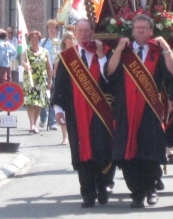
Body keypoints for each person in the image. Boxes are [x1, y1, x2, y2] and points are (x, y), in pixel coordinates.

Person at [106, 13, 173, 208]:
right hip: (126, 110)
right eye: (138, 28)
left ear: (151, 31)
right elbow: (109, 73)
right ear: (132, 30)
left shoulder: (157, 51)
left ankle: (151, 188)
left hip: (151, 111)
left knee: (150, 152)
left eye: (145, 28)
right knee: (129, 154)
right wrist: (118, 50)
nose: (141, 31)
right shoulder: (125, 52)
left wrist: (167, 49)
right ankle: (136, 193)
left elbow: (172, 72)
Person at [51, 18, 114, 208]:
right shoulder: (67, 57)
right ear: (75, 33)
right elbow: (60, 85)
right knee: (81, 152)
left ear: (93, 32)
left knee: (103, 149)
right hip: (76, 113)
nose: (84, 34)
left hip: (101, 113)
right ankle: (87, 193)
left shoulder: (105, 54)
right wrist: (58, 109)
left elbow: (110, 79)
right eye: (81, 31)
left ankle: (103, 186)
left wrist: (102, 56)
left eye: (87, 31)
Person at [21, 30, 53, 134]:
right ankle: (32, 124)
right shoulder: (26, 52)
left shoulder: (45, 52)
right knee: (31, 102)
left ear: (39, 41)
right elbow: (22, 61)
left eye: (36, 41)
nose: (34, 43)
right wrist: (26, 65)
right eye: (32, 41)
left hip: (41, 80)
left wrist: (50, 80)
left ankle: (35, 123)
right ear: (29, 41)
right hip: (30, 80)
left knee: (39, 103)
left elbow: (49, 67)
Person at [51, 31, 74, 145]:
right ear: (65, 40)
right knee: (62, 113)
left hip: (73, 86)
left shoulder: (78, 53)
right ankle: (65, 137)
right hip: (63, 84)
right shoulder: (60, 56)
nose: (73, 40)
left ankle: (71, 136)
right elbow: (57, 72)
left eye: (74, 38)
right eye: (71, 38)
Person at [39, 19, 59, 130]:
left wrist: (55, 69)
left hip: (56, 73)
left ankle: (52, 122)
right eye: (49, 27)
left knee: (53, 97)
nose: (51, 30)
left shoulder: (60, 42)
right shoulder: (42, 43)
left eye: (53, 27)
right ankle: (43, 117)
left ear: (57, 30)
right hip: (44, 73)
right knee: (43, 96)